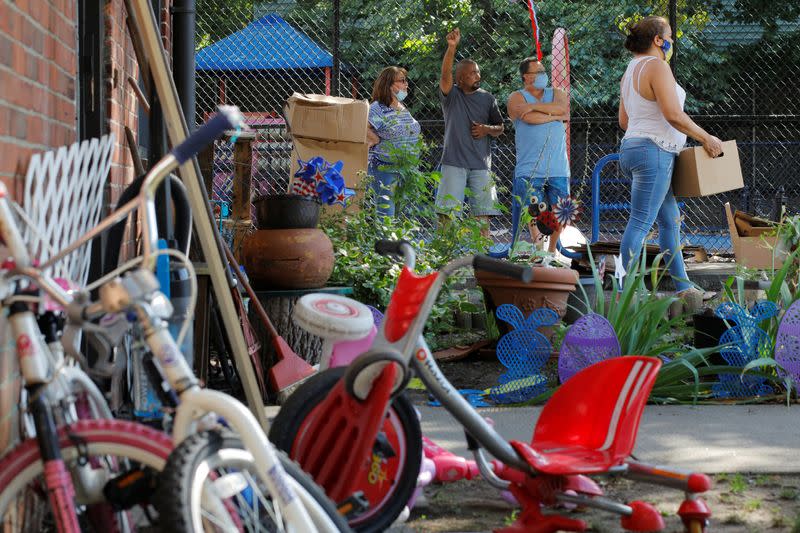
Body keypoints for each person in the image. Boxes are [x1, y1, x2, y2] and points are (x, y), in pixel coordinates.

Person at [618, 16, 722, 303]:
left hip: (634, 148)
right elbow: (673, 114)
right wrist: (706, 138)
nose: (673, 40)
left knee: (670, 221)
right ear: (657, 40)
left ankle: (684, 289)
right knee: (640, 223)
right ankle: (625, 296)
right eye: (670, 35)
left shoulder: (630, 70)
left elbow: (625, 120)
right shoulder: (657, 66)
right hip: (656, 152)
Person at [437, 28, 504, 236]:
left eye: (478, 71)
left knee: (482, 216)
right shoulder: (452, 95)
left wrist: (486, 129)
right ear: (460, 79)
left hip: (481, 165)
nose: (478, 75)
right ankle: (445, 256)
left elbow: (500, 127)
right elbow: (445, 74)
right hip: (453, 162)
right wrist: (451, 48)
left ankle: (481, 257)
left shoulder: (488, 98)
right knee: (448, 214)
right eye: (472, 73)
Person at [507, 57, 570, 253]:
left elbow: (562, 108)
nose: (544, 75)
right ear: (526, 76)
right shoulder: (516, 97)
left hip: (558, 167)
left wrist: (534, 107)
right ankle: (539, 249)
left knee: (561, 210)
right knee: (532, 210)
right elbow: (530, 119)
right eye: (538, 72)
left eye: (544, 71)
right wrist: (555, 116)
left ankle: (552, 251)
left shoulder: (558, 93)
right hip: (530, 168)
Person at [366, 66, 421, 217]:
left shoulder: (402, 107)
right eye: (402, 81)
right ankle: (385, 241)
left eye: (406, 81)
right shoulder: (378, 108)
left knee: (404, 215)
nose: (406, 85)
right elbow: (363, 127)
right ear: (389, 84)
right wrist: (375, 138)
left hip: (406, 170)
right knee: (386, 214)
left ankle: (400, 241)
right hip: (386, 170)